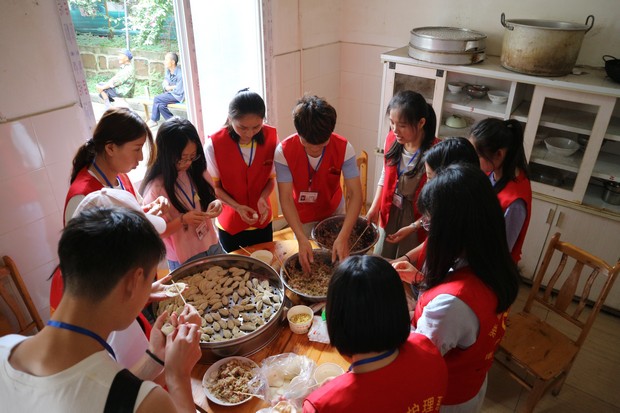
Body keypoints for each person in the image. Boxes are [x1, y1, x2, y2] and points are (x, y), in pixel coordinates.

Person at [1, 207, 204, 412]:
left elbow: (100, 389)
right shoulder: (148, 403)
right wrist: (177, 376)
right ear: (133, 282)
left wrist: (155, 358)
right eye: (150, 280)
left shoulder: (5, 347)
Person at [49, 107, 169, 368]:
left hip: (119, 292)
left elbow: (127, 221)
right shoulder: (83, 195)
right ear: (111, 148)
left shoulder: (120, 177)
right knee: (116, 365)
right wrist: (138, 294)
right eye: (136, 149)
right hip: (95, 302)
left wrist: (146, 212)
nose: (141, 157)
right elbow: (93, 268)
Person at [400, 164, 520, 412]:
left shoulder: (451, 305)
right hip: (472, 380)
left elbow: (418, 360)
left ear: (453, 231)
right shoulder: (495, 263)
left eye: (430, 225)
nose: (429, 233)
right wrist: (420, 279)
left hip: (446, 397)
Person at [303, 255, 447, 412]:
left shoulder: (322, 405)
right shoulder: (428, 349)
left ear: (335, 320)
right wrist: (341, 383)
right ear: (400, 308)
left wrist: (335, 391)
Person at [275, 95, 362, 272]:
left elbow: (355, 194)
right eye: (307, 143)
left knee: (337, 262)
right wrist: (301, 238)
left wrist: (344, 236)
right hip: (301, 216)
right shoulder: (283, 152)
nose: (315, 148)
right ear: (298, 132)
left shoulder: (344, 148)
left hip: (333, 212)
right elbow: (286, 198)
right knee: (308, 261)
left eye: (322, 144)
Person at [142, 117, 224, 271]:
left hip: (211, 243)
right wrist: (183, 220)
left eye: (192, 156)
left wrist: (216, 204)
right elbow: (157, 233)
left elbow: (211, 197)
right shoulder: (156, 189)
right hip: (184, 257)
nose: (188, 163)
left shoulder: (196, 171)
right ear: (166, 155)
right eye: (182, 158)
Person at [366, 90, 438, 260]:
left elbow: (437, 200)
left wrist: (416, 225)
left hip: (416, 217)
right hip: (390, 209)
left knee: (406, 261)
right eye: (392, 123)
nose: (395, 130)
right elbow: (385, 173)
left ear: (421, 123)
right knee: (382, 256)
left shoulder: (435, 151)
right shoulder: (392, 139)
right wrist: (375, 206)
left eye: (403, 125)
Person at [205, 90, 278, 252]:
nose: (249, 133)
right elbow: (215, 188)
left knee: (266, 261)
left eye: (256, 127)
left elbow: (270, 179)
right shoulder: (214, 145)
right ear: (230, 119)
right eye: (242, 127)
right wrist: (237, 207)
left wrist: (263, 197)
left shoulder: (271, 138)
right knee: (235, 265)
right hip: (231, 222)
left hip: (262, 219)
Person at [391, 137, 479, 270]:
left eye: (430, 177)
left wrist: (418, 278)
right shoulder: (453, 206)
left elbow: (448, 279)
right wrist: (404, 259)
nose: (428, 185)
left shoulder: (463, 228)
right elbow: (433, 240)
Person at [469, 118, 532, 263]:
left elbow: (500, 252)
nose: (472, 159)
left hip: (491, 266)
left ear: (499, 154)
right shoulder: (491, 172)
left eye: (477, 155)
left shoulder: (515, 203)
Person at [147, 52, 184, 127]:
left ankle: (153, 120)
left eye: (166, 60)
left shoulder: (180, 74)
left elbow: (179, 91)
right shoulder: (168, 71)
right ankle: (173, 123)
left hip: (177, 96)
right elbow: (164, 83)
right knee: (161, 106)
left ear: (173, 62)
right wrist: (170, 87)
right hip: (170, 94)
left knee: (157, 98)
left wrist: (169, 88)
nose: (164, 61)